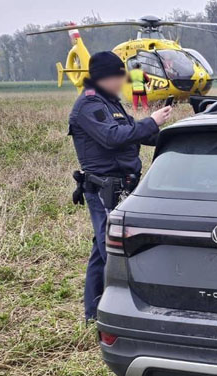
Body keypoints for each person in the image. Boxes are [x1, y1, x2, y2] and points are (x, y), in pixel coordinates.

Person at [69, 51, 172, 321]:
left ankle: (93, 312)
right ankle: (121, 315)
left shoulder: (110, 102)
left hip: (122, 187)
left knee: (101, 251)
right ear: (104, 77)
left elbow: (131, 134)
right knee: (114, 254)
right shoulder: (89, 106)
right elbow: (112, 137)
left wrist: (172, 134)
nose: (122, 82)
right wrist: (152, 121)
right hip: (105, 190)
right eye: (118, 77)